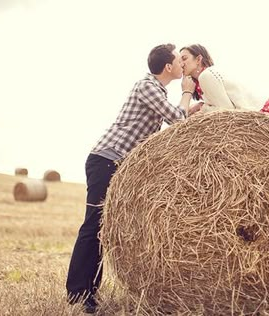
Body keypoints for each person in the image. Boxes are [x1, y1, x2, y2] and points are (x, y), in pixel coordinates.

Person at [66, 43, 198, 314]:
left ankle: (89, 291)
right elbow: (177, 119)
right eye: (178, 60)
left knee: (105, 228)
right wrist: (186, 94)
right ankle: (79, 294)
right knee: (95, 226)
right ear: (168, 67)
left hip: (115, 163)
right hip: (105, 160)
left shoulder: (156, 90)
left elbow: (168, 129)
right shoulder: (147, 85)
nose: (182, 65)